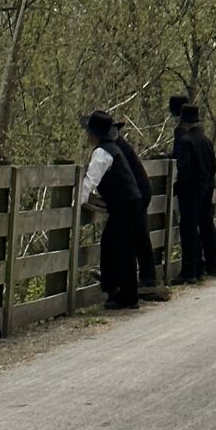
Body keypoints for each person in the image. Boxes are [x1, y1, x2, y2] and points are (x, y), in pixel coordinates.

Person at [79, 110, 148, 309]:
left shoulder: (102, 153)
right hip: (129, 202)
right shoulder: (112, 149)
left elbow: (91, 180)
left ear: (94, 135)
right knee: (112, 243)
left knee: (121, 247)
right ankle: (116, 289)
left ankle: (127, 296)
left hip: (124, 205)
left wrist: (78, 202)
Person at [109, 120, 170, 302]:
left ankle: (130, 283)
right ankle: (147, 278)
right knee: (140, 237)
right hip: (140, 192)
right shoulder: (121, 147)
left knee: (130, 239)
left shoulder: (116, 150)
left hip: (136, 195)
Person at [173, 101, 216, 282]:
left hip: (191, 189)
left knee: (188, 228)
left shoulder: (185, 141)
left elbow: (183, 168)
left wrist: (179, 186)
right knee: (206, 225)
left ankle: (189, 271)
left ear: (183, 121)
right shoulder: (205, 140)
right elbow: (213, 165)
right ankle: (212, 266)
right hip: (207, 187)